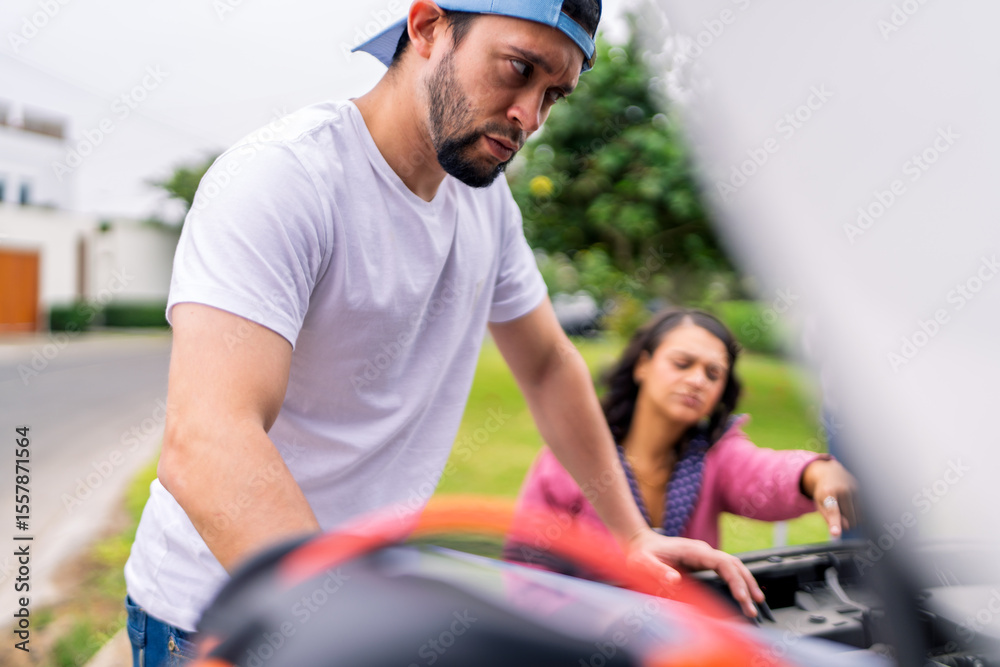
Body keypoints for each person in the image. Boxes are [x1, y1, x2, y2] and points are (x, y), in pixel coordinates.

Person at [122, 3, 766, 665]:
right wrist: (338, 619)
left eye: (554, 94)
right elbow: (208, 442)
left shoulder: (485, 202)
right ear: (428, 26)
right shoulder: (283, 179)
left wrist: (631, 535)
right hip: (227, 620)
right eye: (518, 69)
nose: (530, 117)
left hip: (358, 608)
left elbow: (547, 364)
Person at [505, 308, 858, 570]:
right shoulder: (570, 457)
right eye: (682, 363)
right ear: (643, 365)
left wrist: (818, 474)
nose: (697, 381)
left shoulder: (714, 456)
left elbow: (766, 472)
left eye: (713, 373)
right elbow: (529, 573)